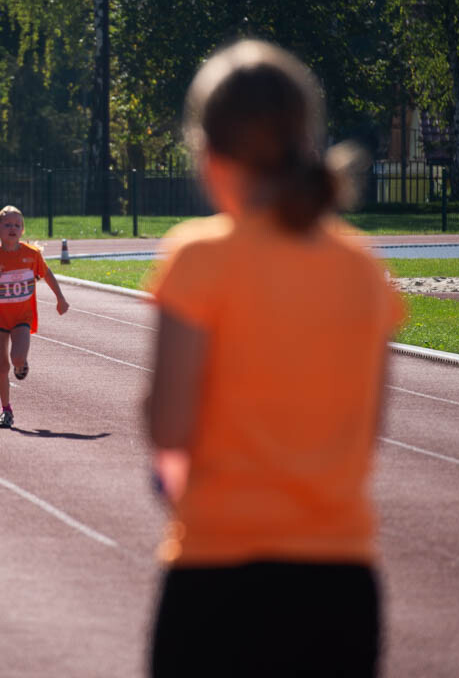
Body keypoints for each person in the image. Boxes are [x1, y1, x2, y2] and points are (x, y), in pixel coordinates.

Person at [143, 39, 405, 677]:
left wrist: (173, 478)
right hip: (340, 583)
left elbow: (169, 426)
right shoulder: (363, 270)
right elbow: (368, 433)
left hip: (216, 573)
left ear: (207, 151)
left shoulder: (198, 258)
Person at [0, 205, 70, 429]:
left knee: (17, 359)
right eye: (7, 225)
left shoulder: (31, 255)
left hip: (22, 316)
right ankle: (6, 410)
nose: (12, 228)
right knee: (1, 367)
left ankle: (21, 365)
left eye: (17, 225)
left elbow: (47, 275)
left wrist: (60, 298)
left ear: (23, 230)